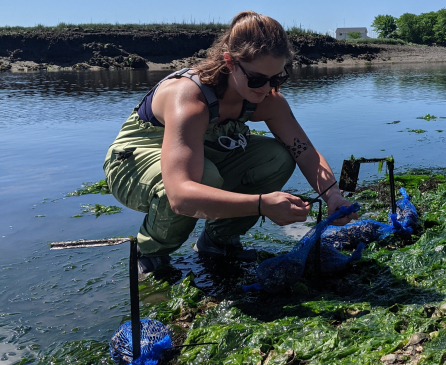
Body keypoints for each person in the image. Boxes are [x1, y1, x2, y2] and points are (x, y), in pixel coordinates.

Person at [103, 11, 358, 274]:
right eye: (257, 79)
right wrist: (261, 204)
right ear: (230, 62)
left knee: (277, 158)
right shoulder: (189, 98)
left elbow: (305, 152)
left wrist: (333, 195)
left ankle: (217, 242)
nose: (266, 88)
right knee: (203, 178)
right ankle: (151, 254)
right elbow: (180, 195)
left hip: (201, 155)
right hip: (132, 163)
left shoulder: (268, 98)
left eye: (278, 78)